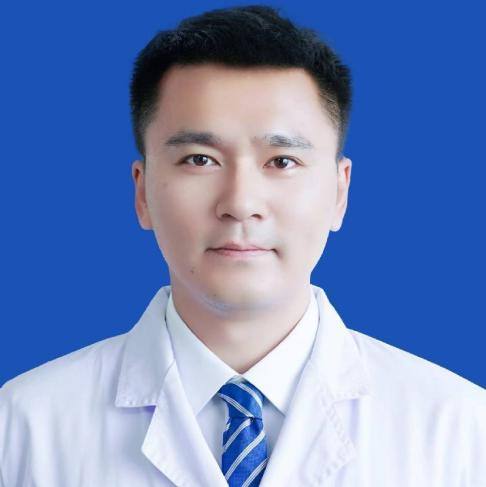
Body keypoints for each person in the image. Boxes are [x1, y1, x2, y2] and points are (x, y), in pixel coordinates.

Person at [1, 4, 485, 486]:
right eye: (200, 159)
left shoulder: (461, 431)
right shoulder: (22, 427)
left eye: (282, 161)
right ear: (142, 192)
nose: (240, 203)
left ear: (340, 192)